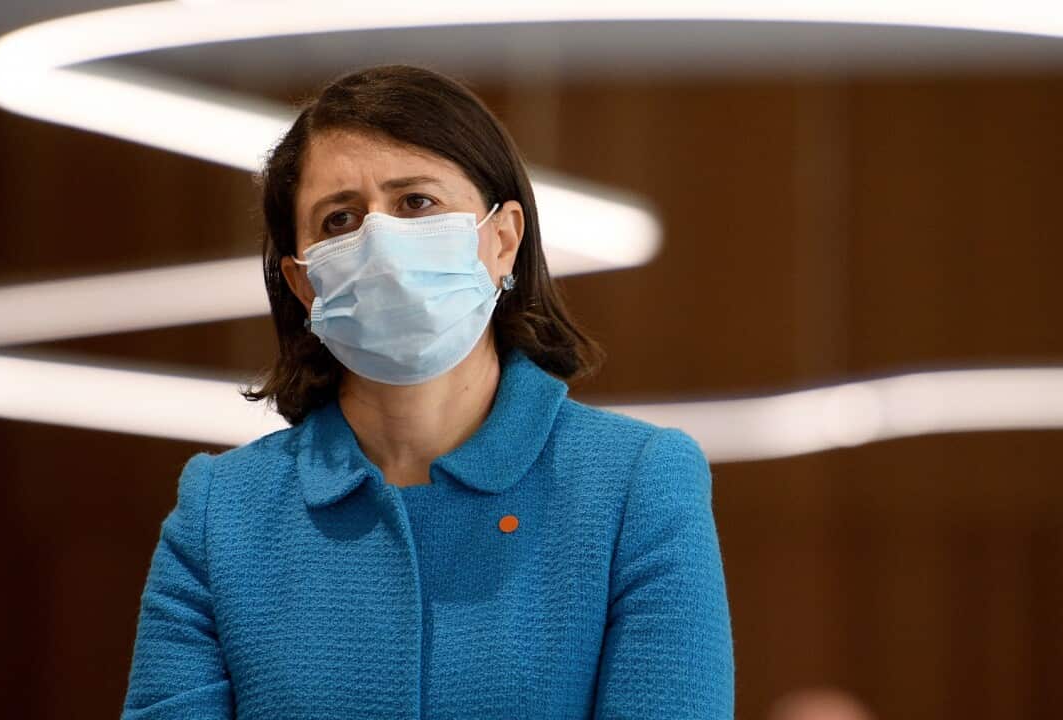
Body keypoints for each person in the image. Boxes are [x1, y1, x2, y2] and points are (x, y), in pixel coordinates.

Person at [121, 63, 734, 719]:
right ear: (304, 286)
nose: (379, 241)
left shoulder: (634, 485)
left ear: (503, 241)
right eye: (339, 220)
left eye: (417, 202)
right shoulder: (221, 516)